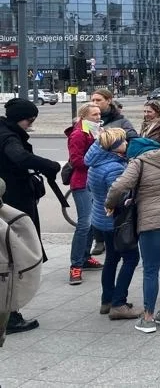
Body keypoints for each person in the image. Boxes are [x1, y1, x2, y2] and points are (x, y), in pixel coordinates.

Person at [105, 137, 160, 333]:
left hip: (152, 221)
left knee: (151, 269)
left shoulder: (139, 162)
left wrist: (110, 203)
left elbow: (119, 186)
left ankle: (148, 317)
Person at [0, 98, 60, 334]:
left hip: (9, 202)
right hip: (13, 206)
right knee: (13, 259)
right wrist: (50, 165)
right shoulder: (9, 137)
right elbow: (20, 158)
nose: (30, 125)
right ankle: (10, 316)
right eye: (30, 120)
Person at [85, 127, 141, 319]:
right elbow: (118, 196)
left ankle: (107, 300)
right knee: (131, 258)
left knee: (111, 259)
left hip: (100, 220)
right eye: (124, 141)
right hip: (115, 222)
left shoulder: (95, 163)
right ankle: (119, 303)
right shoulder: (115, 167)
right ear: (115, 147)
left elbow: (90, 189)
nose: (127, 144)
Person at [89, 88, 136, 256]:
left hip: (113, 163)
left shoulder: (120, 121)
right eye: (93, 100)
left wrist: (120, 146)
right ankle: (99, 240)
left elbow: (132, 137)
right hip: (97, 165)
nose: (94, 103)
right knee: (97, 205)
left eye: (98, 100)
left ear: (109, 101)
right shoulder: (89, 120)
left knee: (109, 203)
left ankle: (109, 240)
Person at [66, 103, 104, 285]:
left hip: (93, 180)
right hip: (82, 183)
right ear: (84, 116)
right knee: (84, 223)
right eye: (94, 114)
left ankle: (85, 257)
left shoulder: (94, 131)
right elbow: (76, 161)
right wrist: (99, 157)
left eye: (99, 113)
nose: (98, 117)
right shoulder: (79, 134)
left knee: (91, 224)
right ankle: (75, 266)